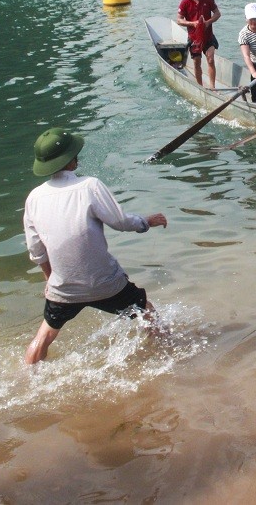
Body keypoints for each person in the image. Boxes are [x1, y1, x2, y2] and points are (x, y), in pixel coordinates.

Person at [23, 127, 168, 364]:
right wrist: (146, 222)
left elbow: (36, 250)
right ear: (70, 160)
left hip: (64, 288)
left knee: (45, 335)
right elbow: (120, 222)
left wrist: (51, 281)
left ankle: (27, 378)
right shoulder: (90, 185)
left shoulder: (34, 198)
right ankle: (169, 356)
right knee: (147, 312)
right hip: (106, 283)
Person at [177, 0, 221, 89]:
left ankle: (212, 87)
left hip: (208, 36)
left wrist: (208, 22)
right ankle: (200, 86)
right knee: (197, 63)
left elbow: (217, 13)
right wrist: (192, 23)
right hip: (194, 38)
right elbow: (179, 20)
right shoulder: (185, 3)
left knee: (210, 59)